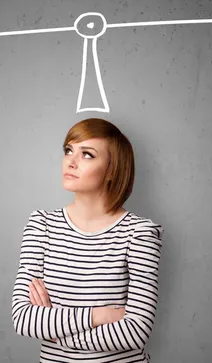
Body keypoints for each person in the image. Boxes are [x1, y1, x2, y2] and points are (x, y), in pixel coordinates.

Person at [11, 117, 164, 362]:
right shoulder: (41, 225)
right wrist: (98, 316)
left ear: (112, 170)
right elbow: (23, 318)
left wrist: (55, 331)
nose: (71, 161)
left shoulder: (140, 233)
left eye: (87, 155)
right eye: (68, 150)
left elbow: (136, 331)